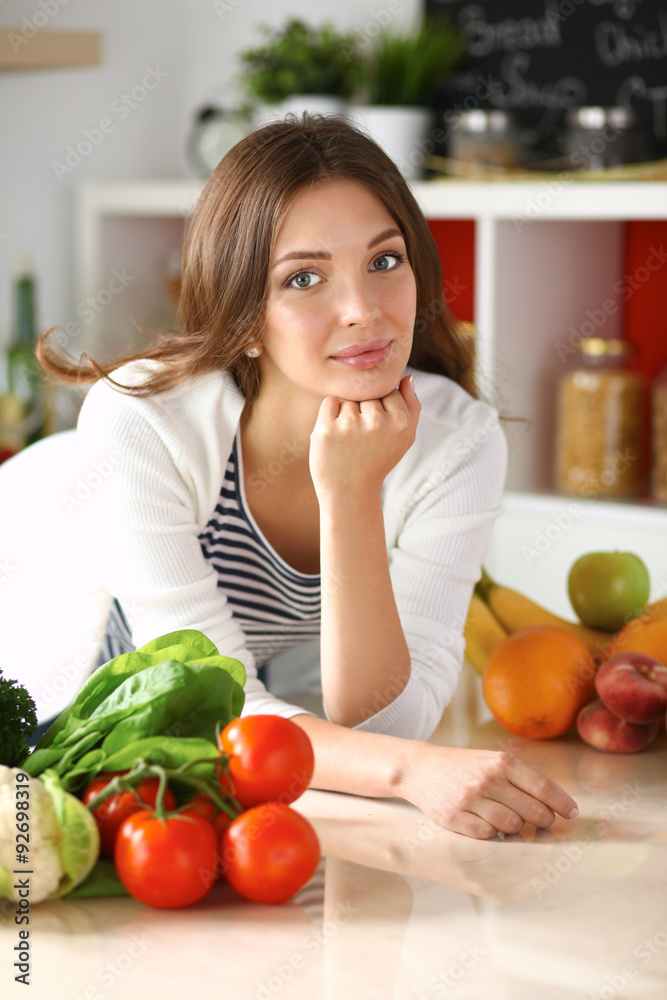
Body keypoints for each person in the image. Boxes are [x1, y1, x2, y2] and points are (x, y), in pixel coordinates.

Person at [35, 114, 578, 839]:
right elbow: (214, 697)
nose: (363, 311)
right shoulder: (143, 424)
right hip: (76, 734)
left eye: (384, 261)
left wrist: (350, 494)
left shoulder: (457, 440)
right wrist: (408, 770)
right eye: (303, 278)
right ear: (246, 317)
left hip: (250, 771)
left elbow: (390, 718)